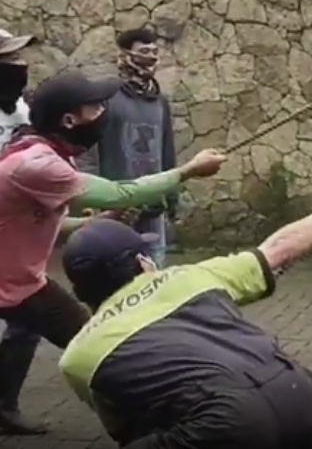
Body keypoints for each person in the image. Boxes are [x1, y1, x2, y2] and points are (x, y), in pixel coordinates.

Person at [0, 69, 227, 435]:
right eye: (94, 107)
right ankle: (159, 418)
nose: (103, 112)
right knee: (96, 341)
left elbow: (41, 220)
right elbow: (121, 192)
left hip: (16, 278)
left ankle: (3, 410)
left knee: (25, 332)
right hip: (14, 282)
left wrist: (90, 223)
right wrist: (187, 171)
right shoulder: (37, 164)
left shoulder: (46, 152)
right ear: (69, 120)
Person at [59, 193, 312, 449]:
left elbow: (124, 426)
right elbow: (279, 248)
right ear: (143, 262)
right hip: (297, 392)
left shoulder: (78, 356)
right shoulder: (193, 275)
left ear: (80, 290)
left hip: (223, 424)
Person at [89, 27, 178, 267]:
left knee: (155, 272)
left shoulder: (160, 102)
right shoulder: (106, 98)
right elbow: (89, 150)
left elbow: (167, 151)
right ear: (125, 54)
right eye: (143, 51)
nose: (151, 57)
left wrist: (172, 196)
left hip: (153, 204)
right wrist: (93, 200)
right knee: (117, 271)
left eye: (154, 52)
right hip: (116, 206)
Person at [0, 28, 45, 434]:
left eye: (18, 57)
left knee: (26, 321)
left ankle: (5, 406)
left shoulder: (20, 110)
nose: (19, 65)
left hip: (14, 235)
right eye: (8, 58)